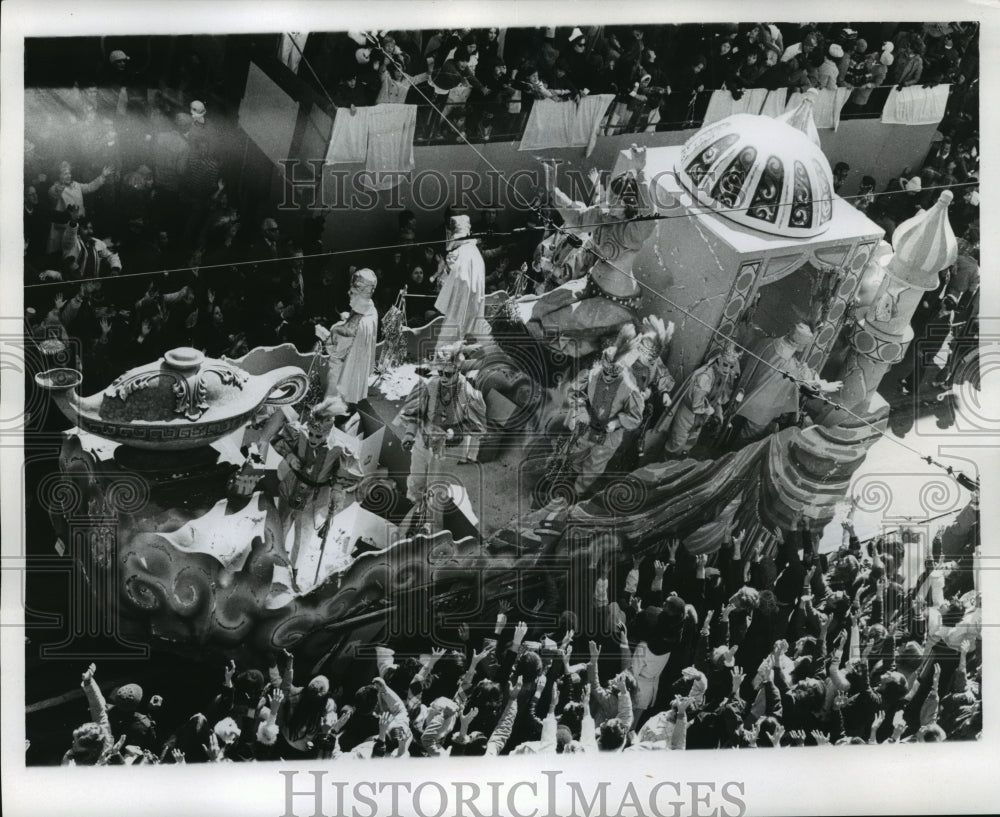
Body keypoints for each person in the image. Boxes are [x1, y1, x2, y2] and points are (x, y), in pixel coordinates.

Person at [518, 144, 656, 358]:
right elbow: (578, 218)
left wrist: (640, 170)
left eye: (619, 201)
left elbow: (650, 218)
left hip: (615, 302)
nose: (611, 202)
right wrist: (553, 188)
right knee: (542, 306)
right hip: (590, 284)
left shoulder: (632, 231)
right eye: (612, 196)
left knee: (555, 322)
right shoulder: (603, 215)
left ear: (631, 206)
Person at [255, 399, 362, 588]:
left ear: (328, 434)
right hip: (291, 488)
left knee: (303, 537)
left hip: (314, 498)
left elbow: (346, 473)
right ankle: (272, 563)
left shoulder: (337, 449)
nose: (313, 439)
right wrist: (290, 456)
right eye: (311, 433)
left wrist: (337, 490)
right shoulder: (299, 434)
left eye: (318, 436)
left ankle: (293, 573)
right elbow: (276, 438)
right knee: (280, 527)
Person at [393, 343, 487, 519]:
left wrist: (456, 431)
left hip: (447, 450)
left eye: (449, 373)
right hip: (423, 441)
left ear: (458, 370)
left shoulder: (467, 392)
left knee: (436, 491)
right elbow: (416, 414)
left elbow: (478, 425)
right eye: (441, 372)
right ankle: (414, 516)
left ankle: (431, 529)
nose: (444, 377)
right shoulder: (429, 386)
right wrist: (409, 435)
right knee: (415, 481)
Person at [729, 324, 842, 444]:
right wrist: (822, 386)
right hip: (762, 409)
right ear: (799, 345)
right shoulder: (789, 366)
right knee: (747, 438)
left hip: (747, 392)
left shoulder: (767, 343)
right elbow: (806, 383)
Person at [560, 345, 645, 496]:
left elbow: (636, 417)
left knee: (594, 466)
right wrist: (581, 408)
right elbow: (574, 392)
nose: (607, 377)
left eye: (613, 374)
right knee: (575, 453)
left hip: (608, 435)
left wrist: (618, 422)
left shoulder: (631, 388)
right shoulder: (592, 373)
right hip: (586, 425)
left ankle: (577, 492)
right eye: (605, 371)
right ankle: (568, 479)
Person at [653, 344, 741, 458]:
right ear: (719, 360)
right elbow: (696, 405)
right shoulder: (705, 377)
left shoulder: (722, 376)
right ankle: (663, 464)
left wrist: (718, 410)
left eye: (731, 366)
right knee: (677, 443)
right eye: (725, 364)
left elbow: (717, 397)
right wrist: (709, 410)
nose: (727, 370)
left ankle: (679, 462)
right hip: (688, 414)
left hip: (700, 418)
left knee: (690, 442)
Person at [315, 268, 379, 407]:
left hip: (341, 376)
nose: (348, 292)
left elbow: (334, 347)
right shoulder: (372, 309)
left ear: (361, 290)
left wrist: (322, 332)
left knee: (330, 408)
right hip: (356, 371)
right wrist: (347, 317)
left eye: (352, 289)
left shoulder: (351, 327)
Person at [434, 214, 486, 352]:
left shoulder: (459, 253)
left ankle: (445, 362)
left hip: (461, 295)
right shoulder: (474, 252)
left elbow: (453, 277)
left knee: (452, 329)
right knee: (465, 329)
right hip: (473, 296)